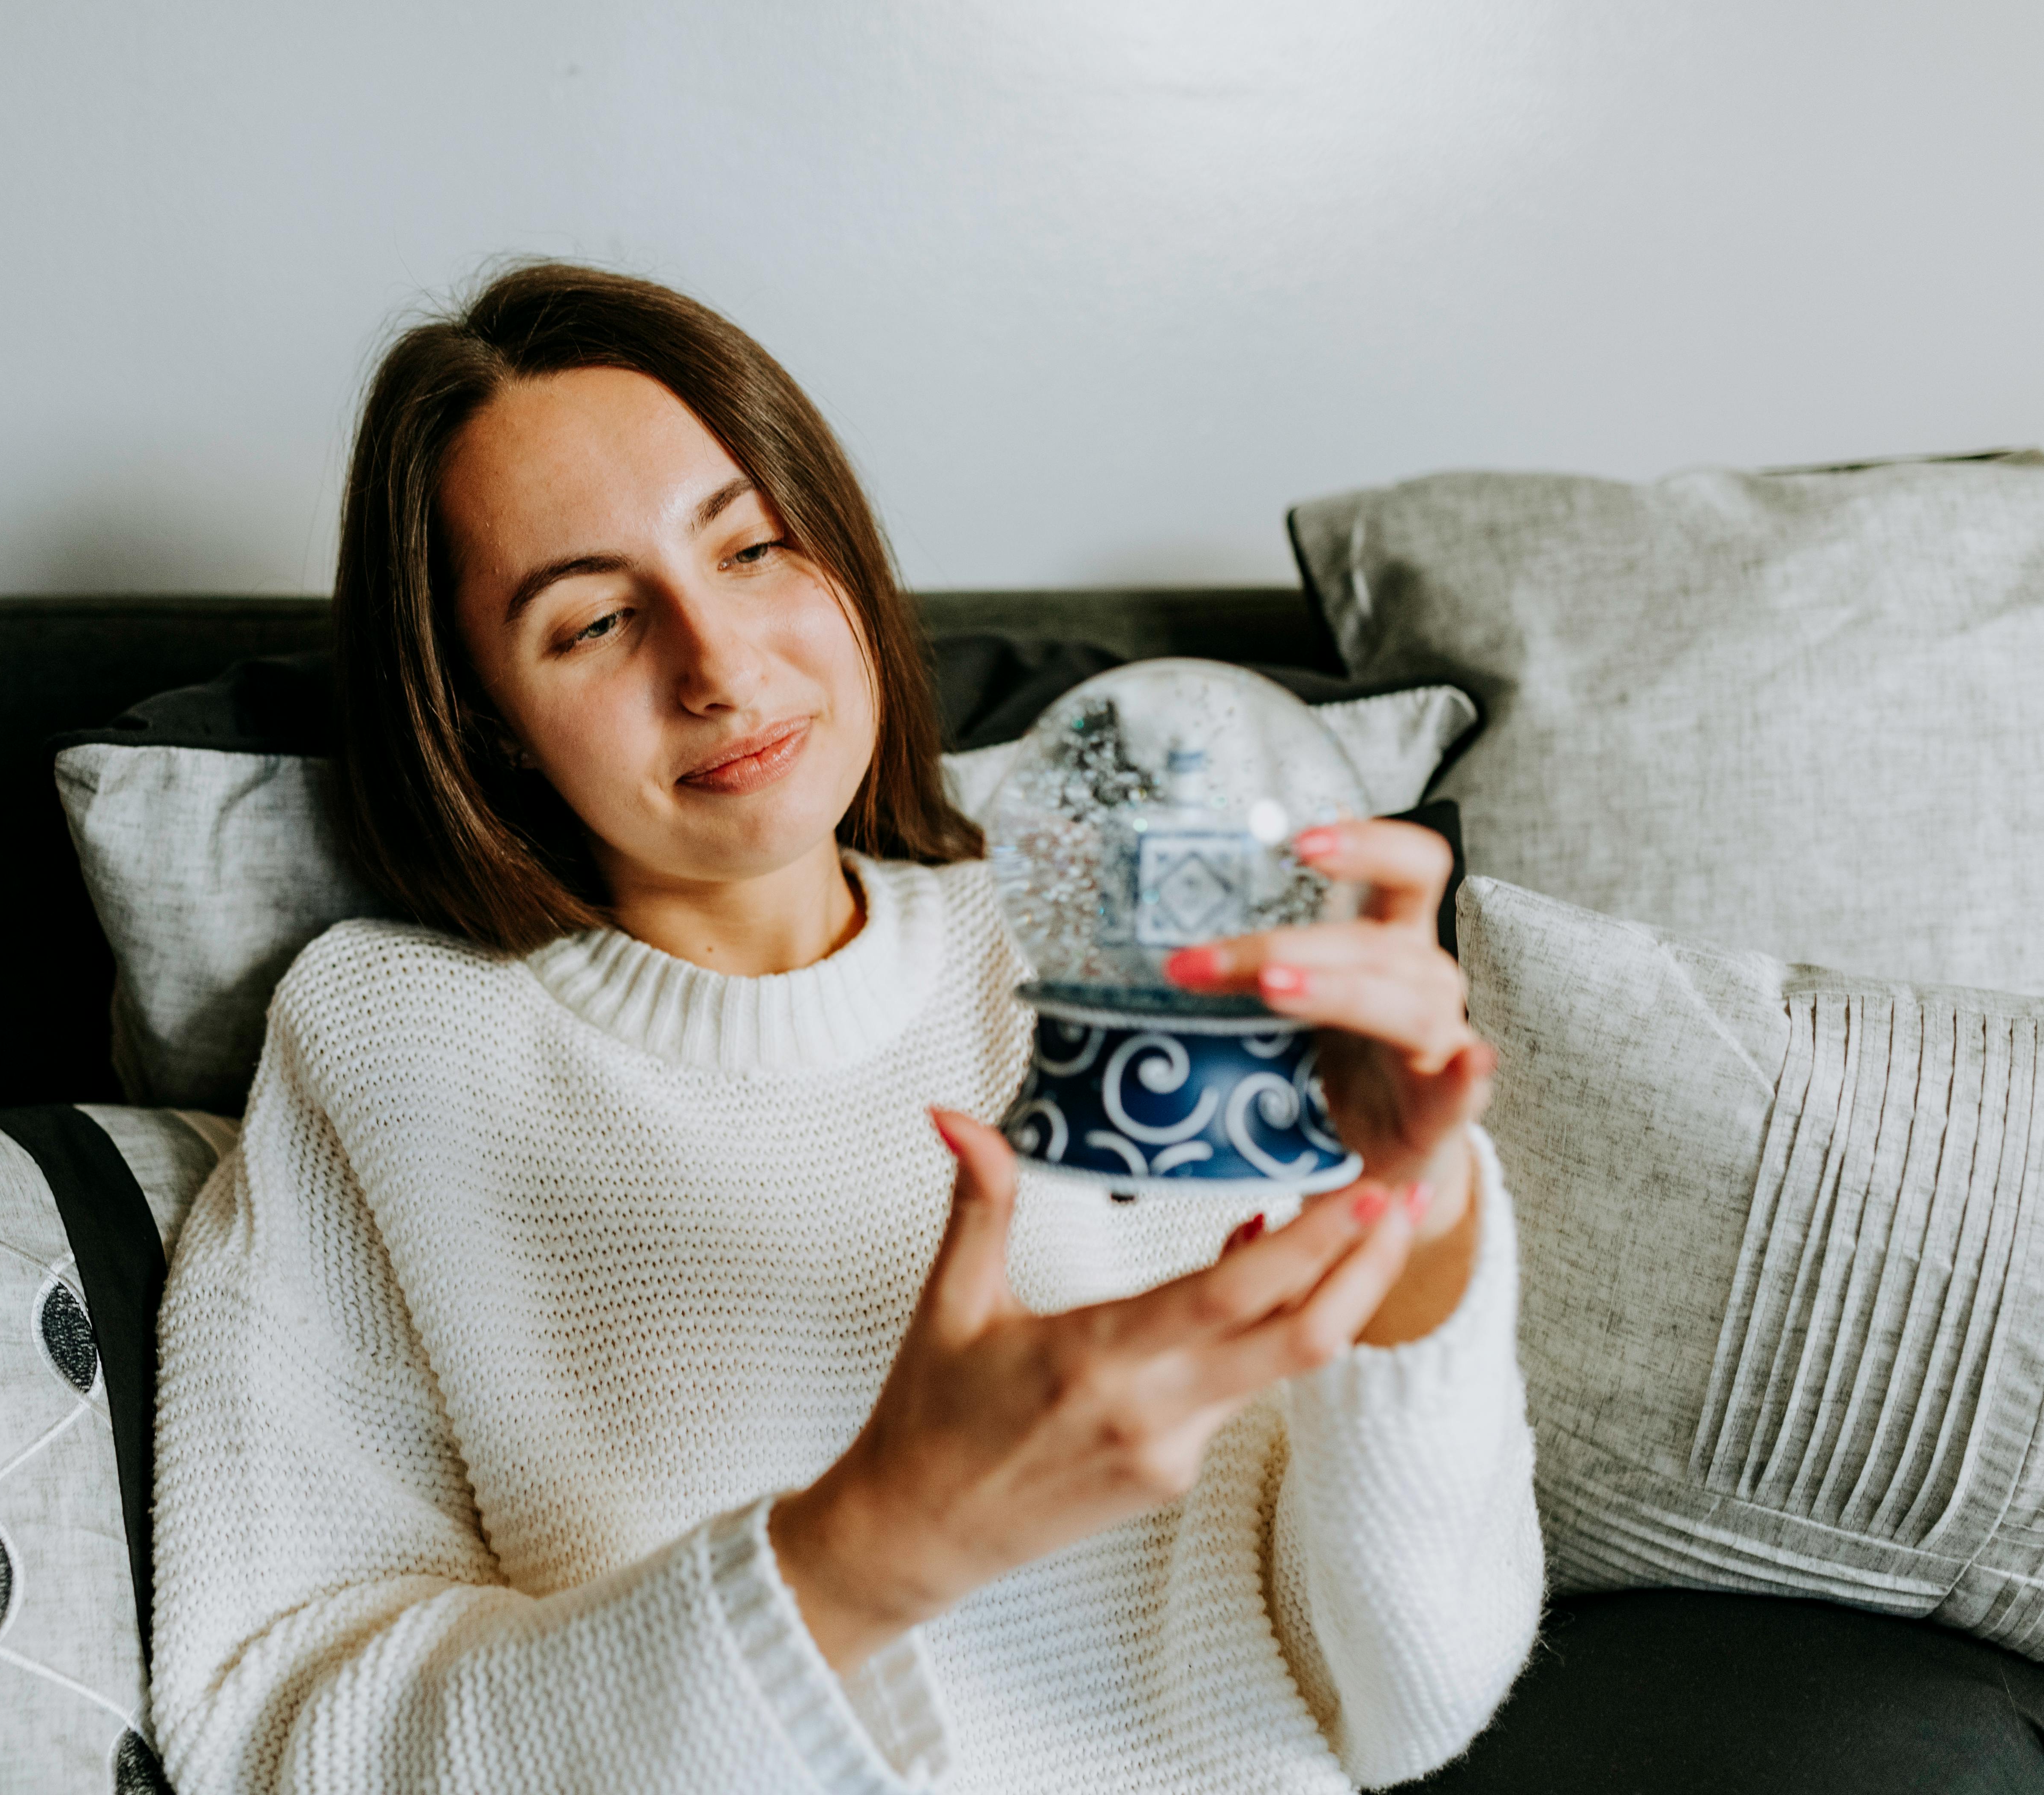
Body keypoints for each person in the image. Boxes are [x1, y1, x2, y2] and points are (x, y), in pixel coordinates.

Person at [149, 263, 1541, 1794]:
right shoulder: (389, 1045)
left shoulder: (1128, 965)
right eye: (597, 621)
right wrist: (869, 1549)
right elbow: (283, 1743)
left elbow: (1400, 1705)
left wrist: (1403, 1217)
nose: (721, 667)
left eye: (752, 549)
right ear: (483, 715)